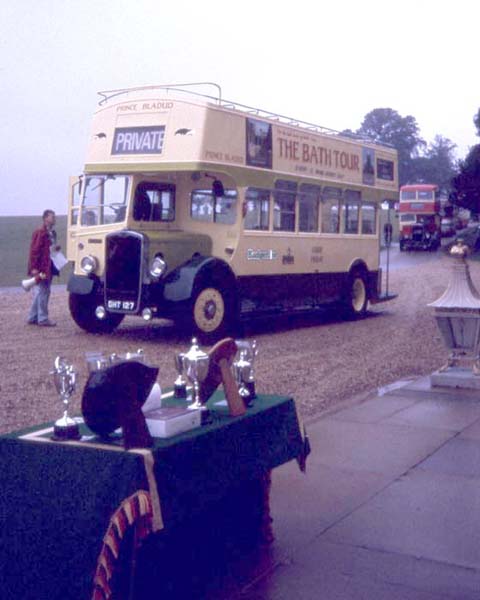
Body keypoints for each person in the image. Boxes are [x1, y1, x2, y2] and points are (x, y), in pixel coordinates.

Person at [26, 209, 60, 326]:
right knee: (44, 291)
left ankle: (33, 316)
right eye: (52, 217)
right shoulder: (40, 232)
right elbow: (34, 251)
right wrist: (34, 268)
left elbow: (48, 250)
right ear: (45, 218)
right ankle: (43, 319)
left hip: (48, 265)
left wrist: (56, 249)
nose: (54, 218)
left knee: (41, 291)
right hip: (42, 267)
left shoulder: (52, 233)